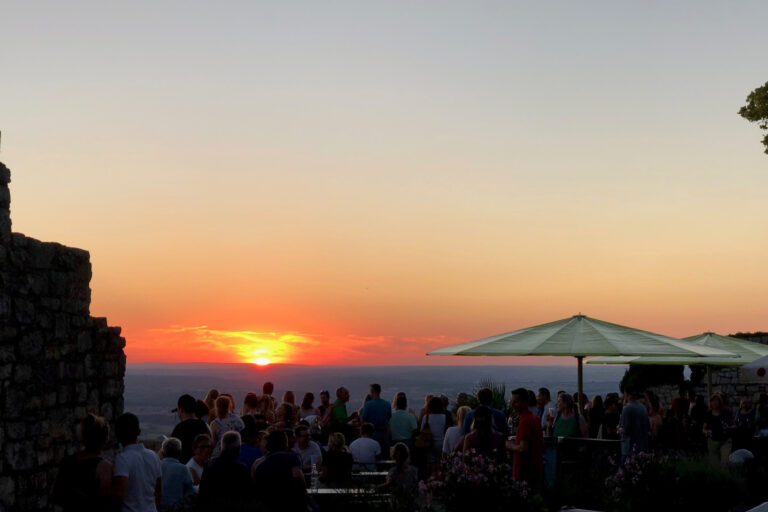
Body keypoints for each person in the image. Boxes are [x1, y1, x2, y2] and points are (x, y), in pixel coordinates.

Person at [52, 413, 113, 512]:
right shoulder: (104, 468)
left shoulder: (68, 462)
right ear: (104, 439)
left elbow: (57, 495)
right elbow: (107, 504)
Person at [112, 412, 162, 512]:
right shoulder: (153, 456)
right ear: (138, 432)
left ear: (118, 434)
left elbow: (120, 493)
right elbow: (158, 490)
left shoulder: (122, 459)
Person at [252, 430, 306, 512]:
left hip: (266, 505)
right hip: (288, 504)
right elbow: (299, 479)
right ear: (285, 443)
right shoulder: (291, 458)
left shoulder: (257, 463)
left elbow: (254, 484)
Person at [198, 431, 253, 507]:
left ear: (221, 447)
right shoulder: (241, 469)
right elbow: (248, 496)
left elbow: (202, 494)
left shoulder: (209, 465)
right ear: (238, 449)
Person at [508, 387, 543, 488]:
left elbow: (523, 448)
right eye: (511, 401)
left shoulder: (525, 421)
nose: (512, 404)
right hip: (535, 468)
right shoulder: (534, 418)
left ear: (525, 402)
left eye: (516, 402)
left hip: (524, 471)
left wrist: (510, 445)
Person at [170, 394, 210, 464]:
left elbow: (170, 451)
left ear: (181, 410)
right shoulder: (204, 426)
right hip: (202, 468)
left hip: (184, 467)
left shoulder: (179, 428)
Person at [158, 437, 194, 508]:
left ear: (163, 452)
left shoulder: (156, 466)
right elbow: (190, 492)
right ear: (179, 452)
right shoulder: (184, 469)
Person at [361, 383, 392, 456]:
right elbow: (389, 417)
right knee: (385, 456)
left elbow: (362, 419)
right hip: (384, 435)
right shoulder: (387, 404)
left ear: (372, 391)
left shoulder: (368, 405)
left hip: (372, 434)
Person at [384, 442, 419, 509]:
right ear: (407, 455)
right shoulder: (414, 470)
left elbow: (388, 485)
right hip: (410, 503)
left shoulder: (392, 471)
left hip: (397, 504)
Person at [618, 389, 650, 460]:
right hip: (642, 447)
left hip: (629, 448)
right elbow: (648, 426)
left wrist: (618, 429)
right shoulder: (643, 407)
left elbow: (625, 430)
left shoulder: (627, 409)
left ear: (628, 395)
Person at [703, 394, 733, 464]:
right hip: (712, 442)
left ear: (720, 402)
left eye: (716, 400)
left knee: (725, 462)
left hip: (725, 441)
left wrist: (728, 428)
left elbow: (733, 425)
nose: (714, 402)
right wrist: (706, 432)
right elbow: (704, 428)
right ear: (710, 403)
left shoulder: (726, 412)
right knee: (714, 465)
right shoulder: (708, 414)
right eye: (713, 401)